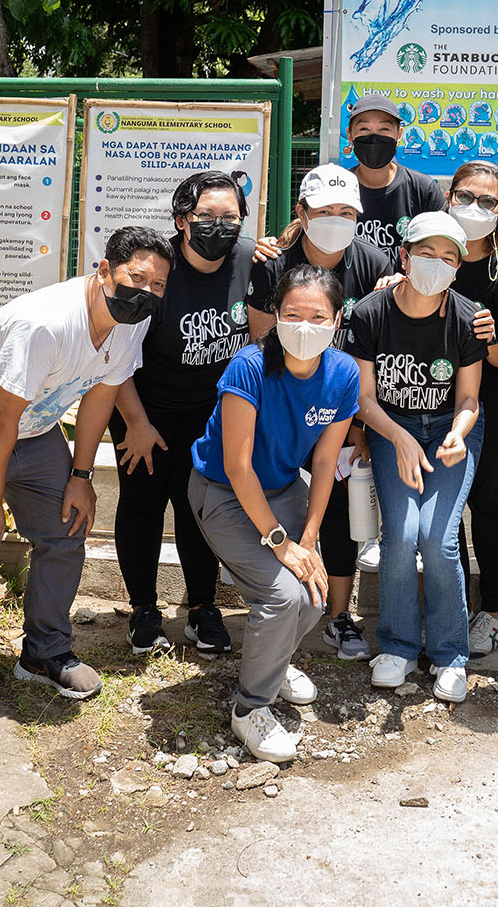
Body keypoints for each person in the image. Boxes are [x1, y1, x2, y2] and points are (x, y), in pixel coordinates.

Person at [0, 226, 173, 726]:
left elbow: (101, 394)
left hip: (33, 424)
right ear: (103, 271)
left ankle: (44, 652)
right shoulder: (46, 324)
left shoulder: (131, 322)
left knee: (67, 524)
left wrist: (80, 474)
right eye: (136, 278)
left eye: (157, 285)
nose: (146, 293)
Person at [188, 265, 359, 762]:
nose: (304, 327)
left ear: (337, 319)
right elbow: (238, 467)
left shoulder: (344, 374)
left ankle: (275, 660)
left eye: (317, 316)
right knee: (284, 597)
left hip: (284, 489)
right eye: (292, 315)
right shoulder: (248, 366)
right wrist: (281, 543)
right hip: (223, 491)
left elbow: (326, 461)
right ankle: (250, 707)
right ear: (274, 317)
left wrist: (308, 537)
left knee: (313, 592)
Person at [108, 172, 255, 657]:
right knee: (143, 503)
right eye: (206, 217)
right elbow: (116, 358)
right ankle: (144, 609)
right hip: (143, 403)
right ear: (180, 220)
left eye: (230, 217)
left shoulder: (248, 258)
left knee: (198, 507)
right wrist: (137, 424)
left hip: (209, 410)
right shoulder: (158, 270)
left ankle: (202, 608)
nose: (220, 226)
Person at [248, 164, 390, 659]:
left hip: (343, 407)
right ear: (303, 214)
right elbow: (262, 343)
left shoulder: (372, 261)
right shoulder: (271, 263)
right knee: (278, 499)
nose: (335, 219)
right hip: (284, 406)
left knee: (336, 507)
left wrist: (354, 423)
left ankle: (339, 615)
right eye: (325, 211)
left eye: (346, 212)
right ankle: (278, 600)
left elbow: (374, 341)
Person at [347, 212, 487, 703]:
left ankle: (451, 654)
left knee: (439, 538)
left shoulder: (467, 317)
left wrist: (458, 434)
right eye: (427, 253)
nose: (437, 263)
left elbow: (469, 400)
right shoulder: (370, 312)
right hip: (391, 428)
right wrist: (397, 437)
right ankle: (399, 646)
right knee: (401, 535)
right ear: (404, 256)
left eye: (449, 257)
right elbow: (363, 398)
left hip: (449, 429)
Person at [445, 161, 498, 656]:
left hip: (490, 404)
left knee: (489, 503)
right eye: (464, 196)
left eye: (487, 201)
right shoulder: (426, 251)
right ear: (448, 196)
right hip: (427, 400)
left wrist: (488, 334)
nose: (473, 208)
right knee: (443, 511)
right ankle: (450, 606)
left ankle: (493, 610)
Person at [345, 93, 445, 265]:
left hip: (406, 290)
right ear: (350, 135)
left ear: (399, 135)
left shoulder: (422, 188)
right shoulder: (340, 188)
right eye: (364, 130)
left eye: (384, 130)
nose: (374, 138)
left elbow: (441, 245)